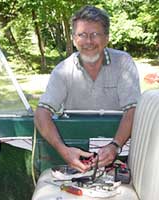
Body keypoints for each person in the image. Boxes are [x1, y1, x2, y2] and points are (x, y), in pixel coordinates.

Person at [34, 5, 141, 173]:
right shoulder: (63, 70)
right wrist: (64, 151)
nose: (89, 41)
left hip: (122, 150)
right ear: (74, 39)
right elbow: (42, 112)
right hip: (76, 153)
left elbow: (133, 110)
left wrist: (115, 146)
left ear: (106, 38)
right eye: (82, 35)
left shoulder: (123, 63)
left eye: (95, 34)